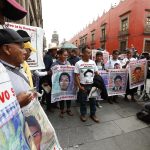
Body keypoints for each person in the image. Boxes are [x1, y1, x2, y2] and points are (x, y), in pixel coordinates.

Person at [0, 28, 35, 107]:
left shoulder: (18, 66)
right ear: (7, 49)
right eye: (21, 47)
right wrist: (17, 105)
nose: (25, 52)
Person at [74, 45, 99, 123]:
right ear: (83, 53)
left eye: (90, 53)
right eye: (88, 53)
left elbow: (96, 73)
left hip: (92, 85)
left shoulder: (93, 62)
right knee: (83, 101)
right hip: (83, 86)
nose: (90, 54)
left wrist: (98, 83)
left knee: (93, 101)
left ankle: (93, 114)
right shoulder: (78, 63)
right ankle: (83, 114)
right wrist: (79, 86)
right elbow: (76, 76)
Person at [51, 49, 73, 118]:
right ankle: (62, 110)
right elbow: (51, 72)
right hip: (59, 84)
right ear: (59, 55)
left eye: (67, 55)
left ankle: (68, 109)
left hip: (67, 84)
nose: (66, 56)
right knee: (61, 97)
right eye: (64, 55)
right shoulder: (55, 63)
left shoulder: (68, 62)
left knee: (68, 96)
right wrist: (54, 69)